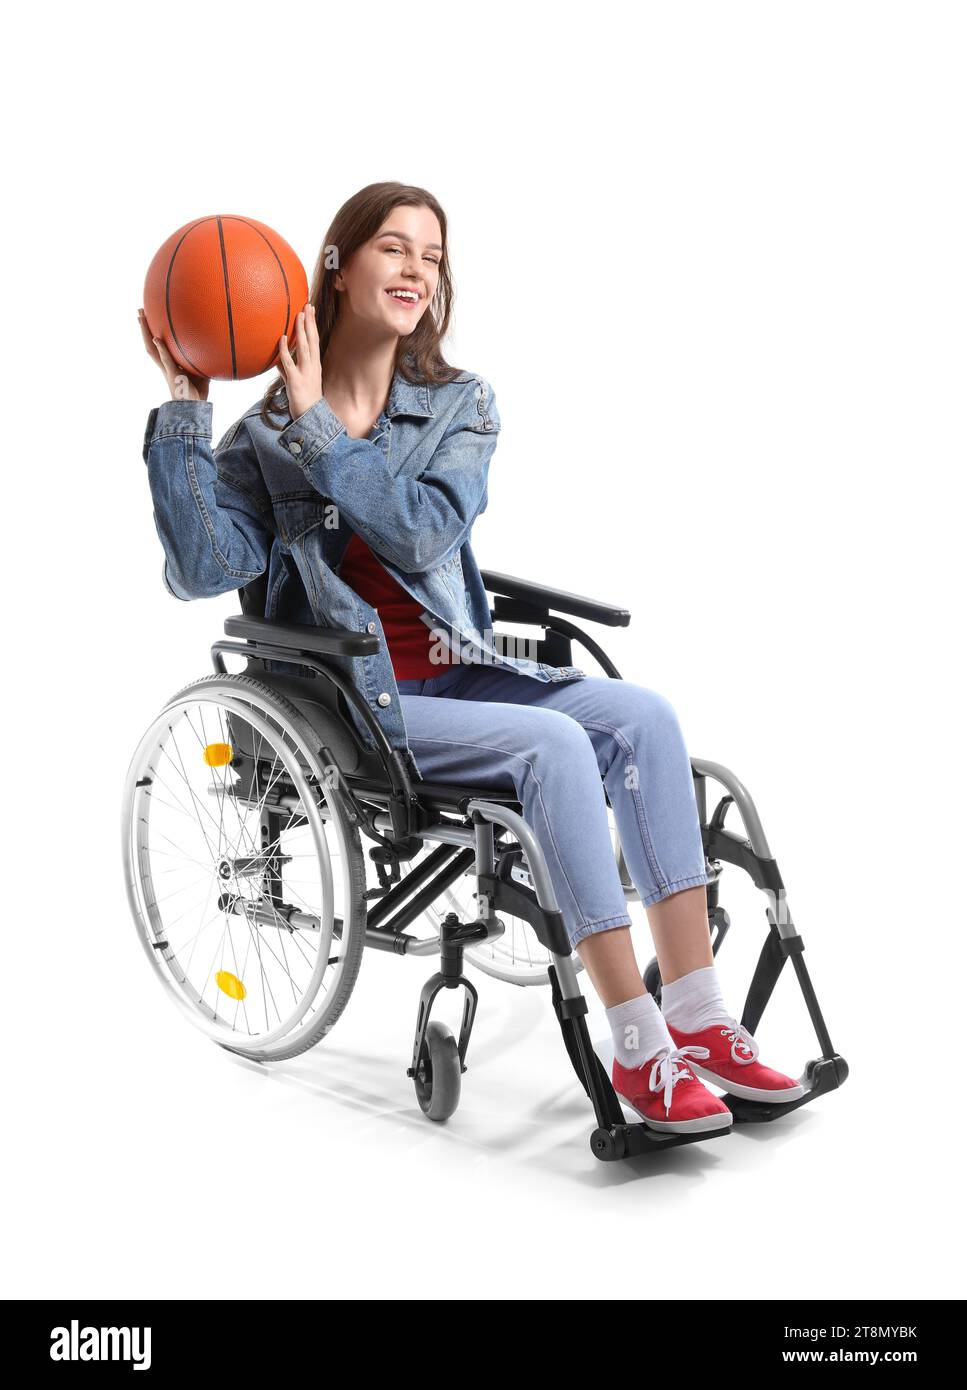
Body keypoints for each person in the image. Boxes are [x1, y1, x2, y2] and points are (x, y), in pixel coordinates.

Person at [138, 180, 803, 1135]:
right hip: (353, 703)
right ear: (335, 263)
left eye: (432, 256)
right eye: (393, 249)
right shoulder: (264, 440)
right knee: (554, 750)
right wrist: (186, 417)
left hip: (455, 662)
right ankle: (637, 1048)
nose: (416, 270)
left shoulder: (460, 406)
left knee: (643, 714)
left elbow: (422, 533)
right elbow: (201, 570)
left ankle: (697, 1019)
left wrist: (323, 423)